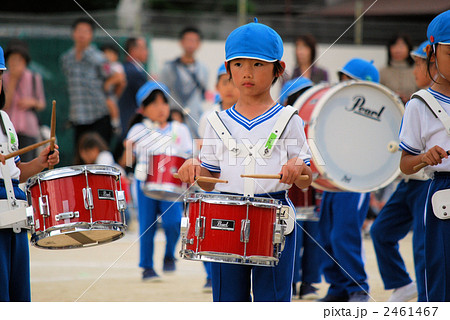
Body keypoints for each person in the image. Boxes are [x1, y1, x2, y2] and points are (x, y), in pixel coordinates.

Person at [177, 18, 313, 302]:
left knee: (272, 301)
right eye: (238, 64)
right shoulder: (216, 121)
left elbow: (306, 179)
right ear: (227, 69)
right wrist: (194, 170)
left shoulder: (289, 119)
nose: (247, 72)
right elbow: (211, 182)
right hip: (224, 218)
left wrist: (298, 168)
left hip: (275, 216)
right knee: (228, 301)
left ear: (279, 69)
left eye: (258, 64)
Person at [370, 40, 435, 302]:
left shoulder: (435, 103)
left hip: (429, 185)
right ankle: (402, 284)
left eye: (418, 64)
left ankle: (427, 302)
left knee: (423, 247)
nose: (414, 70)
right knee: (381, 231)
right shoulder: (417, 102)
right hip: (409, 182)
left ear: (434, 65)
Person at [0, 45, 60, 301]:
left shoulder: (5, 120)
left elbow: (14, 172)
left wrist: (41, 162)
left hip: (13, 214)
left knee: (19, 295)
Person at [316, 58, 379, 303]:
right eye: (343, 79)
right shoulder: (338, 111)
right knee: (325, 235)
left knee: (344, 233)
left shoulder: (375, 117)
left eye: (350, 80)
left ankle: (357, 288)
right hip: (334, 180)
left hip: (355, 182)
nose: (344, 85)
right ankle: (338, 288)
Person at [398, 10, 450, 302]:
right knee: (441, 280)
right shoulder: (420, 104)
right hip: (442, 193)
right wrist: (425, 158)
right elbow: (405, 164)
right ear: (432, 52)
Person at [123, 81, 193, 281]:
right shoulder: (138, 129)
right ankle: (147, 267)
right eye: (153, 103)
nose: (160, 107)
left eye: (164, 102)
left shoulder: (180, 129)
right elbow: (129, 154)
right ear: (143, 109)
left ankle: (169, 254)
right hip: (144, 182)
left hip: (172, 183)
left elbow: (188, 155)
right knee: (147, 225)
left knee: (174, 223)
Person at [197, 62, 240, 291]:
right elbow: (205, 152)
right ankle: (211, 274)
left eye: (233, 81)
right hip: (214, 181)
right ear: (216, 86)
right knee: (211, 229)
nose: (230, 87)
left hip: (236, 183)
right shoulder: (208, 117)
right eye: (225, 82)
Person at [280, 77, 324, 300]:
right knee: (290, 234)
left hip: (315, 186)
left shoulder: (320, 119)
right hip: (293, 188)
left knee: (314, 236)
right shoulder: (285, 121)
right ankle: (291, 280)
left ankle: (309, 281)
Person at [60, 17, 121, 154]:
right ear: (73, 33)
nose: (82, 35)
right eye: (79, 31)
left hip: (98, 115)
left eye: (86, 31)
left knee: (101, 158)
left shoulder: (99, 58)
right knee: (81, 160)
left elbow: (118, 77)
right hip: (78, 117)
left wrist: (109, 89)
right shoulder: (66, 59)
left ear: (91, 35)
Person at [159, 26, 209, 139]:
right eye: (188, 40)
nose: (191, 44)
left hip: (194, 122)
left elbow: (201, 96)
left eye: (194, 40)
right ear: (181, 42)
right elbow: (162, 94)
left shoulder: (203, 70)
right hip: (173, 119)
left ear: (199, 44)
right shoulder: (169, 68)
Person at [2, 39, 46, 162]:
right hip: (9, 129)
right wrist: (13, 81)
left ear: (25, 61)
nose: (15, 63)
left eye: (19, 59)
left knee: (27, 162)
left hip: (29, 129)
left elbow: (41, 103)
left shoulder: (33, 78)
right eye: (12, 59)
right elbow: (4, 105)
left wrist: (31, 102)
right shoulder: (3, 78)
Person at [117, 37, 148, 139]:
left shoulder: (130, 69)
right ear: (133, 50)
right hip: (130, 120)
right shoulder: (133, 72)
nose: (146, 51)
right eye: (143, 48)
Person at [380, 34, 417, 104]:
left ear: (409, 48)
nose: (398, 50)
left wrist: (410, 98)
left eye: (401, 46)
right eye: (394, 46)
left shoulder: (416, 70)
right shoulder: (382, 72)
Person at [101, 43, 127, 136]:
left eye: (110, 53)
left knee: (112, 105)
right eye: (105, 53)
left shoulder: (116, 66)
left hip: (110, 93)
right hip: (102, 95)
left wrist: (109, 83)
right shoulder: (102, 65)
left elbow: (120, 78)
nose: (107, 56)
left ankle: (115, 124)